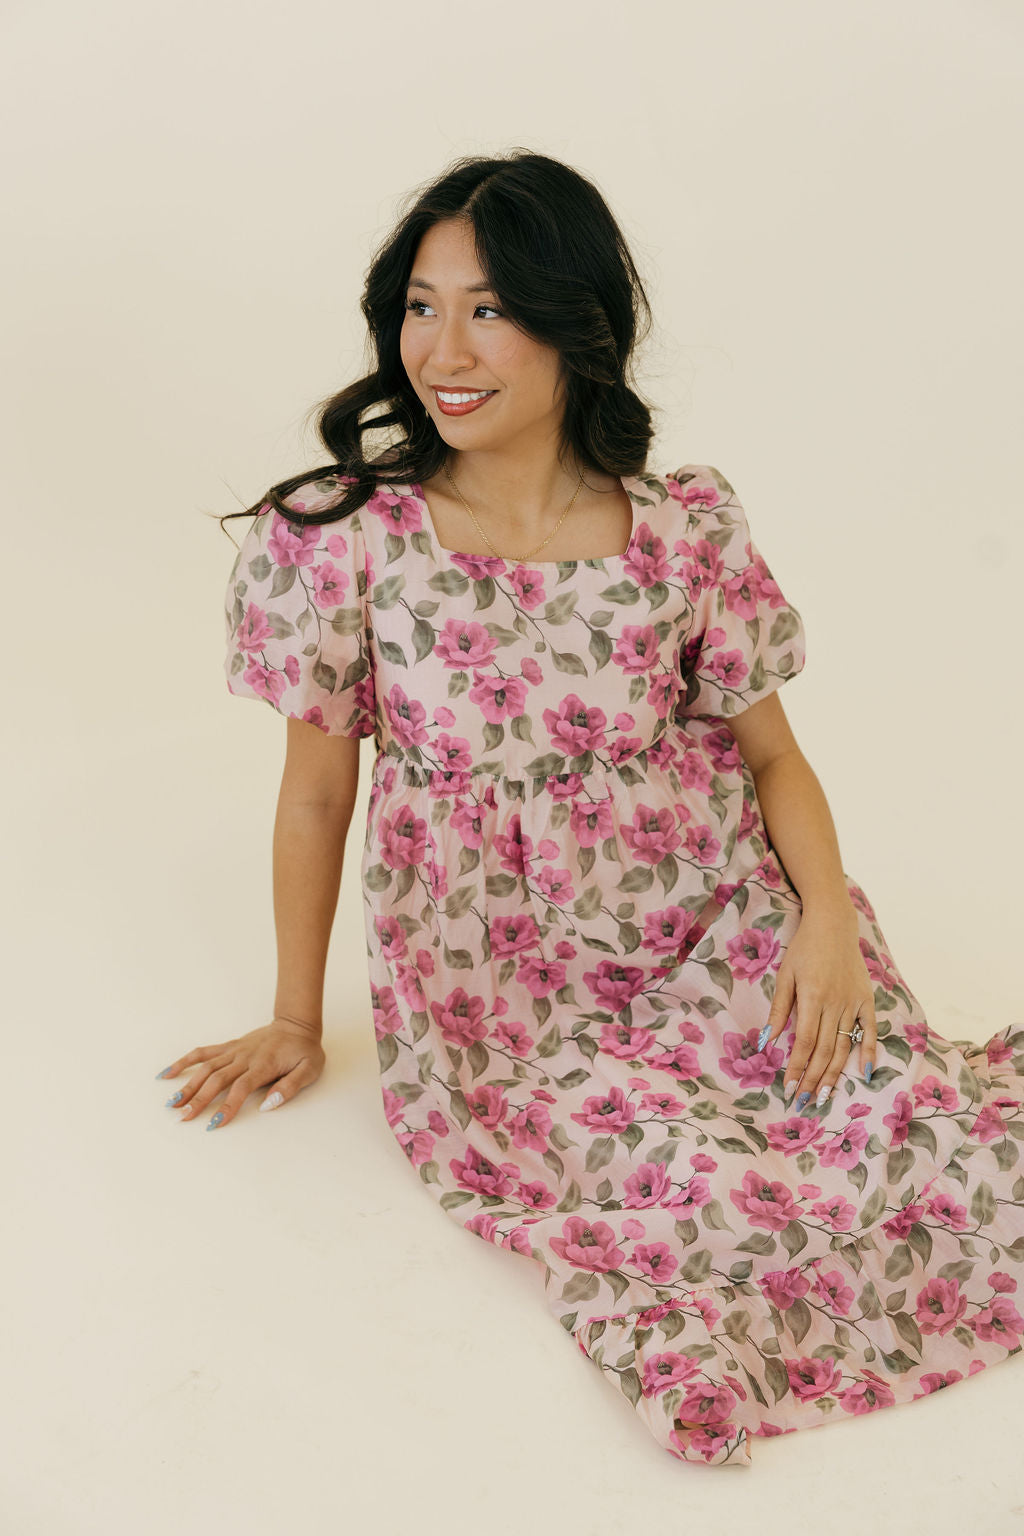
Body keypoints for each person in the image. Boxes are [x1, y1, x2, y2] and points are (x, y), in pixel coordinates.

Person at [158, 152, 1024, 1468]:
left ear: (577, 327)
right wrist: (293, 1015)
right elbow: (318, 791)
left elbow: (774, 761)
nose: (444, 350)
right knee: (702, 1189)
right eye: (421, 307)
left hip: (723, 923)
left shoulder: (683, 527)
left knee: (919, 1133)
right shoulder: (347, 539)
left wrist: (828, 926)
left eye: (491, 310)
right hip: (504, 1000)